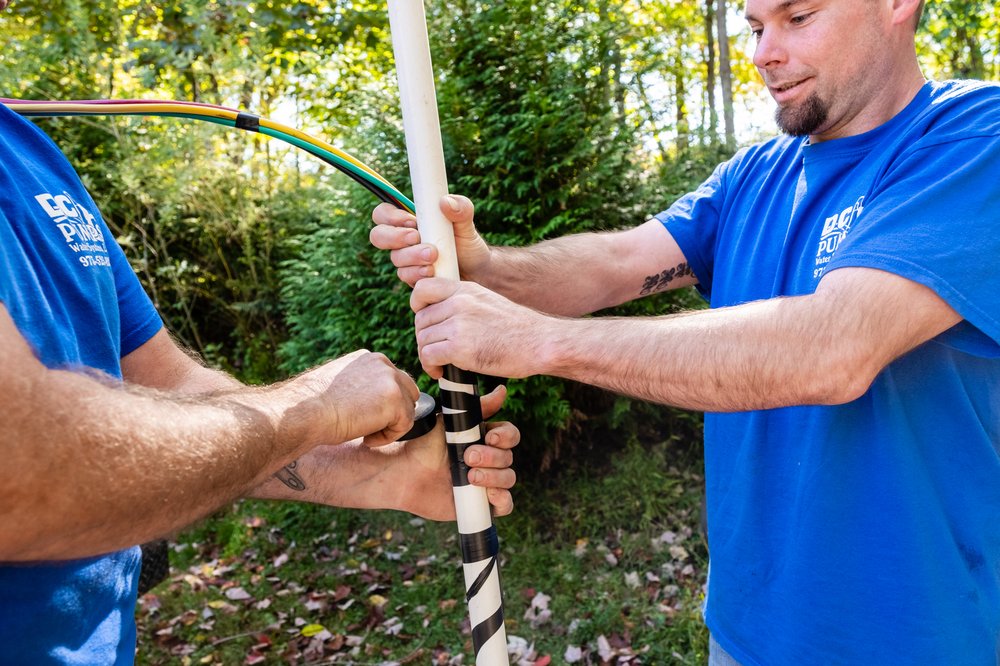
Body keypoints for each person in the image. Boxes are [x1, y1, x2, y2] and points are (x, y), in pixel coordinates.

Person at [371, 0, 1000, 662]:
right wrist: (485, 265)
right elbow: (616, 264)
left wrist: (538, 341)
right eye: (755, 27)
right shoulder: (757, 175)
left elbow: (833, 349)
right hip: (744, 631)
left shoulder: (971, 140)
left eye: (798, 17)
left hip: (921, 636)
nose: (763, 53)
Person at [0, 16, 518, 666]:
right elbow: (18, 467)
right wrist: (314, 407)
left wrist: (371, 474)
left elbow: (172, 389)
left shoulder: (31, 155)